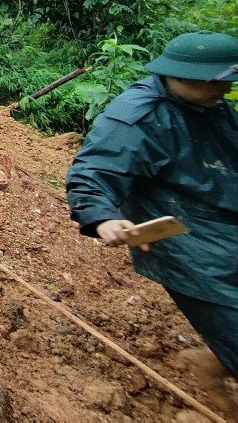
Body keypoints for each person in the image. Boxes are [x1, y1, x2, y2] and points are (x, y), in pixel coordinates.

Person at [66, 31, 238, 390]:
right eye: (218, 83)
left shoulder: (211, 106)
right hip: (192, 247)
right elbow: (92, 172)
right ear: (184, 76)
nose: (225, 90)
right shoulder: (137, 117)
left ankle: (219, 362)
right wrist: (103, 216)